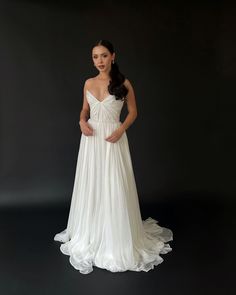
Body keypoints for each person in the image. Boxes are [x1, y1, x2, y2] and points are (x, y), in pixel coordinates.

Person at [54, 39, 173, 274]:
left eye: (104, 56)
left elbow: (134, 112)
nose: (99, 61)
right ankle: (91, 228)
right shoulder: (88, 82)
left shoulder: (124, 83)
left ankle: (115, 234)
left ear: (113, 56)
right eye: (95, 56)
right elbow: (85, 109)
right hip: (90, 139)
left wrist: (120, 130)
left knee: (113, 183)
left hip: (113, 138)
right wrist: (81, 122)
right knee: (93, 183)